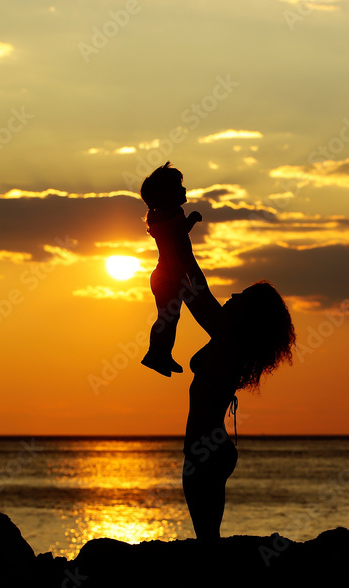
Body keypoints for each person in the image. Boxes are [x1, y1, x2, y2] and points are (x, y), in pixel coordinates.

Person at [182, 280, 296, 541]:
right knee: (208, 536)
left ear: (250, 312)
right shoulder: (228, 339)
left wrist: (172, 250)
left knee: (208, 539)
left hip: (207, 451)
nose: (233, 294)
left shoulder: (230, 342)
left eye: (242, 295)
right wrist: (175, 248)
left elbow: (194, 294)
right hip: (206, 448)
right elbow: (199, 289)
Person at [139, 162, 208, 377]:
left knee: (171, 317)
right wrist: (184, 220)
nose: (184, 190)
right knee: (167, 317)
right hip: (166, 278)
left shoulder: (173, 214)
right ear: (165, 194)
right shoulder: (160, 217)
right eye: (178, 187)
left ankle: (162, 354)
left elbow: (179, 231)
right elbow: (169, 232)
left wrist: (190, 221)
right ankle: (155, 354)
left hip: (173, 277)